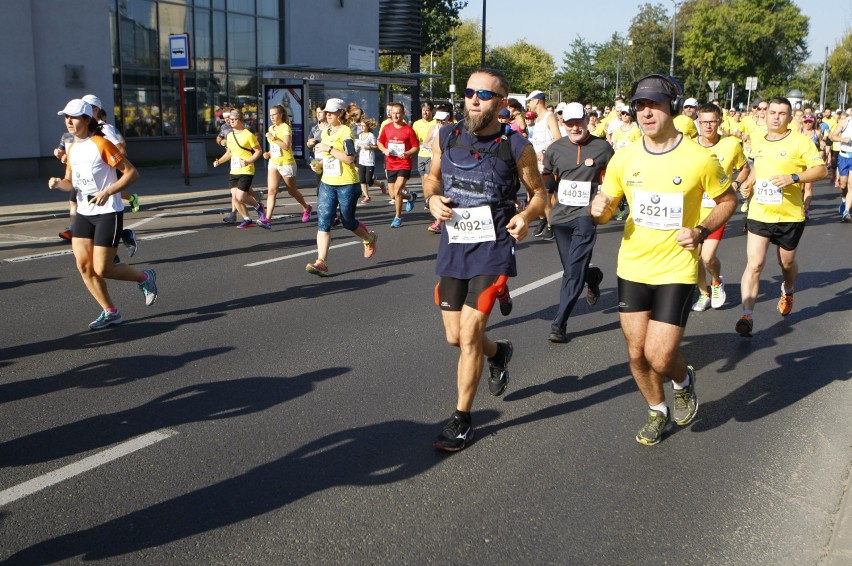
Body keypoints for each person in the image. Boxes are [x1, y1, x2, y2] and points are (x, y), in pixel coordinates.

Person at [589, 74, 737, 446]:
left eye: (653, 104)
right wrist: (599, 210)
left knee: (658, 354)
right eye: (640, 105)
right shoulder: (625, 157)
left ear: (671, 106)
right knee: (636, 353)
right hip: (633, 266)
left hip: (677, 268)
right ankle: (657, 410)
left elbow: (728, 200)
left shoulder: (699, 158)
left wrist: (701, 231)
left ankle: (683, 380)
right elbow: (607, 209)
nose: (645, 112)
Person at [423, 69, 547, 452]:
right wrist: (431, 199)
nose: (474, 99)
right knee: (453, 336)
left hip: (492, 250)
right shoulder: (446, 135)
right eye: (469, 93)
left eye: (484, 94)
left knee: (470, 332)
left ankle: (461, 419)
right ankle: (500, 352)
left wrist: (526, 217)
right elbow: (431, 178)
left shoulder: (517, 145)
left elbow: (539, 195)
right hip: (454, 245)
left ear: (501, 103)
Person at [47, 99, 158, 330]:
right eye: (66, 117)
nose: (69, 121)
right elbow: (71, 183)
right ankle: (111, 312)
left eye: (74, 117)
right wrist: (59, 183)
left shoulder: (102, 144)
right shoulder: (73, 148)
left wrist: (108, 191)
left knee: (103, 269)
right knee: (84, 266)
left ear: (87, 120)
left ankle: (145, 278)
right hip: (84, 213)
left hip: (108, 212)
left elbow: (131, 173)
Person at [736, 97, 828, 335]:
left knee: (786, 263)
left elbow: (821, 170)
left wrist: (794, 178)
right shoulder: (758, 140)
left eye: (782, 113)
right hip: (760, 212)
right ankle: (747, 315)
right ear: (765, 115)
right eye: (772, 112)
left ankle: (787, 289)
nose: (776, 117)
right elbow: (758, 167)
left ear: (789, 117)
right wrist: (749, 182)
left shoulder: (801, 142)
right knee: (754, 264)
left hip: (789, 215)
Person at [542, 102, 614, 343]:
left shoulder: (603, 148)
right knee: (573, 269)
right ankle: (592, 278)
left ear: (587, 120)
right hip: (560, 217)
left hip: (585, 216)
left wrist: (611, 200)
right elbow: (548, 180)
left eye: (578, 122)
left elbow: (615, 178)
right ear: (563, 124)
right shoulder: (555, 149)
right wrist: (537, 194)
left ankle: (559, 324)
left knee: (572, 271)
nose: (574, 127)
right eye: (569, 123)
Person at [305, 98, 378, 276]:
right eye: (326, 112)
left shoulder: (346, 132)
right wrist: (319, 165)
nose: (327, 115)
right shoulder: (325, 132)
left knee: (347, 221)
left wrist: (329, 148)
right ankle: (321, 262)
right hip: (328, 183)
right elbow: (327, 158)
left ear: (339, 114)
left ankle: (369, 238)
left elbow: (350, 158)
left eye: (331, 112)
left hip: (347, 183)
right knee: (324, 220)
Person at [691, 103, 750, 312]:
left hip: (717, 211)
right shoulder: (689, 146)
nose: (708, 126)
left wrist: (735, 184)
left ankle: (716, 282)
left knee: (707, 257)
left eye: (712, 121)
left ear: (720, 121)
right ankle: (703, 293)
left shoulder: (731, 144)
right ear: (698, 122)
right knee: (694, 259)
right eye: (704, 121)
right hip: (692, 212)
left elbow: (744, 168)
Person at [212, 109, 267, 229]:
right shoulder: (230, 135)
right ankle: (247, 219)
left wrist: (248, 161)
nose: (230, 121)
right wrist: (219, 161)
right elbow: (230, 153)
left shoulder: (248, 134)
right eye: (229, 119)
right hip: (234, 170)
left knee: (241, 197)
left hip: (246, 170)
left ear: (240, 120)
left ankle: (259, 207)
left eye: (233, 119)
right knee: (235, 198)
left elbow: (258, 151)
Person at [262, 104, 312, 227]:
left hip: (286, 163)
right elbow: (275, 147)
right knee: (271, 191)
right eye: (270, 115)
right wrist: (268, 153)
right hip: (274, 162)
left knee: (292, 191)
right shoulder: (271, 128)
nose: (272, 117)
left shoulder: (285, 128)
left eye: (274, 114)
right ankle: (267, 219)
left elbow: (285, 146)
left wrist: (272, 138)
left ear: (281, 114)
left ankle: (306, 208)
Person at [527, 89, 562, 240]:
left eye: (530, 100)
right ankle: (543, 220)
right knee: (536, 195)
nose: (529, 103)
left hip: (549, 164)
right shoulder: (538, 118)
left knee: (547, 196)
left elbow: (558, 137)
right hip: (537, 164)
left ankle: (552, 226)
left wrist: (543, 150)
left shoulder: (549, 116)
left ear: (537, 100)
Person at [378, 102, 419, 228]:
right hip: (390, 164)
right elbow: (380, 142)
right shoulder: (387, 128)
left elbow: (416, 147)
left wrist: (407, 153)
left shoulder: (408, 130)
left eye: (398, 113)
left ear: (403, 114)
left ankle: (397, 217)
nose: (395, 115)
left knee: (397, 189)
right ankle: (410, 197)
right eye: (393, 113)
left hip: (404, 164)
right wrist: (385, 150)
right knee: (392, 194)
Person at [423, 109, 451, 234]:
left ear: (448, 120)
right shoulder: (433, 129)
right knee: (434, 187)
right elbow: (425, 142)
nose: (440, 123)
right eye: (438, 120)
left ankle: (439, 222)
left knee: (446, 192)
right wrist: (434, 147)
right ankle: (439, 221)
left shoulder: (453, 130)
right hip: (433, 161)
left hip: (448, 164)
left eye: (442, 120)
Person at [828, 109, 852, 221]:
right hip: (844, 156)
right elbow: (833, 136)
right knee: (843, 185)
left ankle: (846, 211)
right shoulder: (844, 122)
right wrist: (843, 139)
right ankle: (843, 200)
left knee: (851, 185)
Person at [355, 117, 379, 203]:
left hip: (369, 160)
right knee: (362, 179)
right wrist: (357, 146)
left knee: (369, 180)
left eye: (363, 126)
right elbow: (359, 145)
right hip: (362, 160)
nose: (362, 127)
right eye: (361, 126)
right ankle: (367, 196)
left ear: (367, 126)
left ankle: (381, 184)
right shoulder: (360, 135)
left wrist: (369, 147)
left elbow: (376, 146)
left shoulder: (371, 136)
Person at [412, 101, 436, 179]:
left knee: (427, 176)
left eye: (427, 110)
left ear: (432, 111)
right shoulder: (416, 124)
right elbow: (413, 139)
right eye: (423, 110)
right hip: (421, 154)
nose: (425, 112)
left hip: (432, 155)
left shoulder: (436, 122)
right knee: (423, 178)